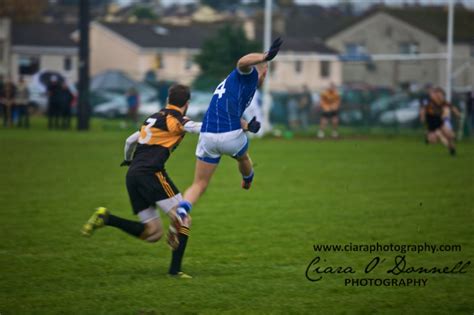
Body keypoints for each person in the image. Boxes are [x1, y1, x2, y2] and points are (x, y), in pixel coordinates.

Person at [81, 84, 202, 279]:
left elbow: (130, 140)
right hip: (151, 173)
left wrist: (128, 160)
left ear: (168, 100)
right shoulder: (175, 119)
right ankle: (175, 272)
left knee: (152, 233)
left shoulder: (152, 119)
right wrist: (220, 128)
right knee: (183, 218)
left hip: (133, 175)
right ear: (187, 104)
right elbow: (194, 127)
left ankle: (107, 218)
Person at [170, 38, 283, 241]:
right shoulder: (246, 77)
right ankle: (248, 180)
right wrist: (266, 56)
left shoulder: (238, 87)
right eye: (264, 70)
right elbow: (242, 61)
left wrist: (248, 125)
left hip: (208, 135)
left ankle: (182, 210)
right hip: (231, 137)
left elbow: (230, 114)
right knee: (243, 158)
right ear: (262, 71)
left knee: (200, 183)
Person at [420, 87, 457, 156]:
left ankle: (451, 148)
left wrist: (456, 113)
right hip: (431, 123)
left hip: (439, 122)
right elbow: (423, 109)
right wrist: (422, 117)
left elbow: (451, 107)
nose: (437, 95)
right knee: (434, 140)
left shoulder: (442, 101)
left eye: (439, 94)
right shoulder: (428, 102)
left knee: (449, 135)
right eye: (435, 94)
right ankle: (429, 136)